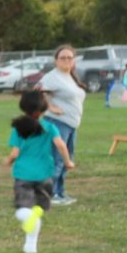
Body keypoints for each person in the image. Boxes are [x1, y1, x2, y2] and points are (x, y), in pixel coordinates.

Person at [5, 90, 75, 253]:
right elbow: (61, 145)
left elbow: (15, 153)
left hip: (23, 175)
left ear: (23, 107)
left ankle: (28, 219)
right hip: (45, 175)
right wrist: (67, 162)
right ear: (44, 108)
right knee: (38, 208)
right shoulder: (50, 127)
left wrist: (8, 161)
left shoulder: (19, 128)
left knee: (23, 209)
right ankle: (30, 246)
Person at [38, 44, 87, 206]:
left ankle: (59, 192)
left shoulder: (69, 76)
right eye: (63, 57)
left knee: (67, 159)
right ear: (56, 60)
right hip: (57, 123)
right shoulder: (52, 76)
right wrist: (50, 107)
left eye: (69, 58)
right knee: (57, 159)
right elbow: (39, 91)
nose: (66, 60)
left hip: (70, 124)